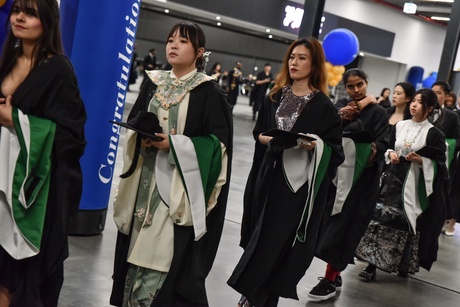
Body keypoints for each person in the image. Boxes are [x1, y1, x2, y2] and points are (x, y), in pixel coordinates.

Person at [109, 21, 233, 307]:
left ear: (199, 52)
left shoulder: (209, 92)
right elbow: (137, 120)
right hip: (144, 181)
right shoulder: (154, 82)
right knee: (134, 252)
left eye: (183, 41)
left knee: (160, 258)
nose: (173, 45)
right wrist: (140, 135)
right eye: (170, 39)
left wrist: (174, 145)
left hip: (177, 190)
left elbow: (218, 145)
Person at [228, 37, 344, 307]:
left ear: (314, 64)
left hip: (295, 189)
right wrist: (270, 140)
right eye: (292, 56)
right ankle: (255, 295)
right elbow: (259, 132)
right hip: (266, 177)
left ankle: (256, 298)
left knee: (277, 244)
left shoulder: (324, 107)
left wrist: (314, 145)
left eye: (302, 58)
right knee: (257, 236)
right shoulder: (274, 96)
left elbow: (335, 153)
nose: (294, 62)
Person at [0, 0, 87, 306]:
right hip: (1, 184)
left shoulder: (59, 70)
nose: (19, 17)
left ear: (48, 20)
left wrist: (18, 122)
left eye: (31, 12)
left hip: (34, 196)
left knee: (23, 277)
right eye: (16, 10)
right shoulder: (8, 59)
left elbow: (72, 138)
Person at [308, 68, 389, 301]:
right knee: (326, 227)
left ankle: (330, 279)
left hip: (361, 183)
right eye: (351, 86)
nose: (356, 90)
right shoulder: (339, 107)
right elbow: (328, 130)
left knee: (343, 230)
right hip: (334, 180)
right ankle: (335, 272)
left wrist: (365, 148)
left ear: (366, 83)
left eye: (360, 85)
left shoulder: (379, 113)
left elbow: (382, 144)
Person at [356, 88, 447, 279]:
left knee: (404, 222)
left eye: (419, 102)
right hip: (391, 178)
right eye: (413, 100)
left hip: (413, 183)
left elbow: (440, 164)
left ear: (430, 108)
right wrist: (391, 154)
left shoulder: (434, 134)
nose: (414, 105)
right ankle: (371, 265)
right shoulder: (400, 125)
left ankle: (402, 263)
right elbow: (388, 146)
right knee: (381, 218)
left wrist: (421, 161)